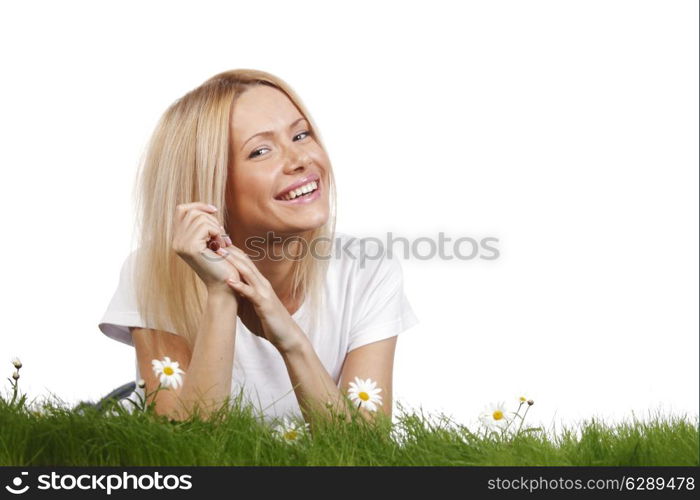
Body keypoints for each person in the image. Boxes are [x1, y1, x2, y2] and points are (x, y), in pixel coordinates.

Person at [98, 69, 419, 427]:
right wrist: (221, 293)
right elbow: (186, 451)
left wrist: (291, 341)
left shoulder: (366, 272)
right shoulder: (153, 273)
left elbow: (367, 457)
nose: (300, 159)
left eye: (301, 134)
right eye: (261, 151)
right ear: (213, 184)